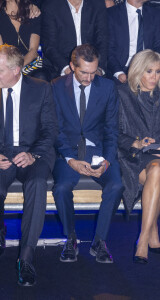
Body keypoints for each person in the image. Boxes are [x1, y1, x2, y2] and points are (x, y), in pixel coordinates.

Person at [51, 44, 124, 264]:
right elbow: (55, 129)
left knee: (116, 185)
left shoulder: (108, 87)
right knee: (61, 188)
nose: (89, 78)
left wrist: (108, 160)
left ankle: (99, 241)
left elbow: (112, 129)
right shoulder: (55, 87)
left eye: (93, 72)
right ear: (72, 66)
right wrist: (70, 159)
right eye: (84, 72)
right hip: (69, 151)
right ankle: (71, 239)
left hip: (98, 151)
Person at [0, 44, 57, 286]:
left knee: (36, 183)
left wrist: (33, 154)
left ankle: (26, 256)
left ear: (16, 71)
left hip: (33, 153)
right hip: (2, 154)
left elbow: (50, 129)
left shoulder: (41, 90)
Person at [117, 49, 160, 263]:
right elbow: (113, 131)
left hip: (159, 155)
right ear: (138, 71)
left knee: (157, 169)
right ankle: (152, 231)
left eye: (158, 72)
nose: (154, 77)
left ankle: (141, 239)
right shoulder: (122, 93)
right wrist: (136, 142)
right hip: (131, 155)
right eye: (149, 71)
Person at [41, 0, 107, 81]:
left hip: (92, 64)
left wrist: (98, 68)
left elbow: (103, 41)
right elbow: (49, 46)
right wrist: (67, 68)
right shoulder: (51, 6)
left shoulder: (97, 4)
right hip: (60, 65)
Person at [107, 0, 160, 84]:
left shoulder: (155, 13)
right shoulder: (112, 14)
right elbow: (108, 49)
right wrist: (118, 73)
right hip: (121, 69)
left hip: (148, 68)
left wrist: (152, 68)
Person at [0, 0, 46, 79]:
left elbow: (33, 50)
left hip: (29, 64)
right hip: (8, 64)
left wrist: (18, 68)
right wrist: (11, 69)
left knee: (40, 77)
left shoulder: (32, 13)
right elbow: (1, 52)